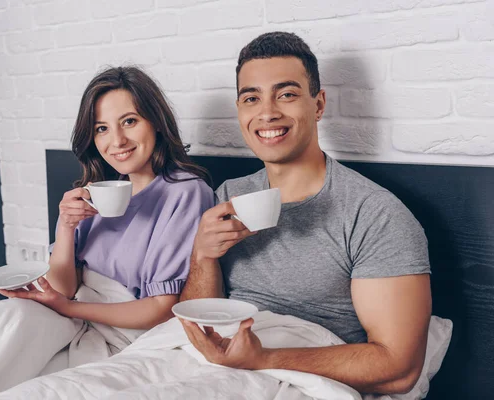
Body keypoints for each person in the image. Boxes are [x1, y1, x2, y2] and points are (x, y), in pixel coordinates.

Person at [0, 66, 214, 400]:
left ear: (157, 122)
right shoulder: (101, 191)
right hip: (71, 316)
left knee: (10, 352)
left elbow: (160, 309)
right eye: (101, 128)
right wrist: (65, 226)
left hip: (120, 333)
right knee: (4, 318)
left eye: (129, 121)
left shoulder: (185, 193)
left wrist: (67, 308)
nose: (116, 140)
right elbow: (63, 286)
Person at [180, 31, 432, 396]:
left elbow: (399, 367)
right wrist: (202, 255)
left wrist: (262, 358)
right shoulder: (228, 197)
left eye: (287, 94)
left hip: (298, 378)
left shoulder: (374, 214)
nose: (267, 112)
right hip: (214, 368)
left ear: (318, 104)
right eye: (252, 98)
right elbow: (195, 320)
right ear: (240, 110)